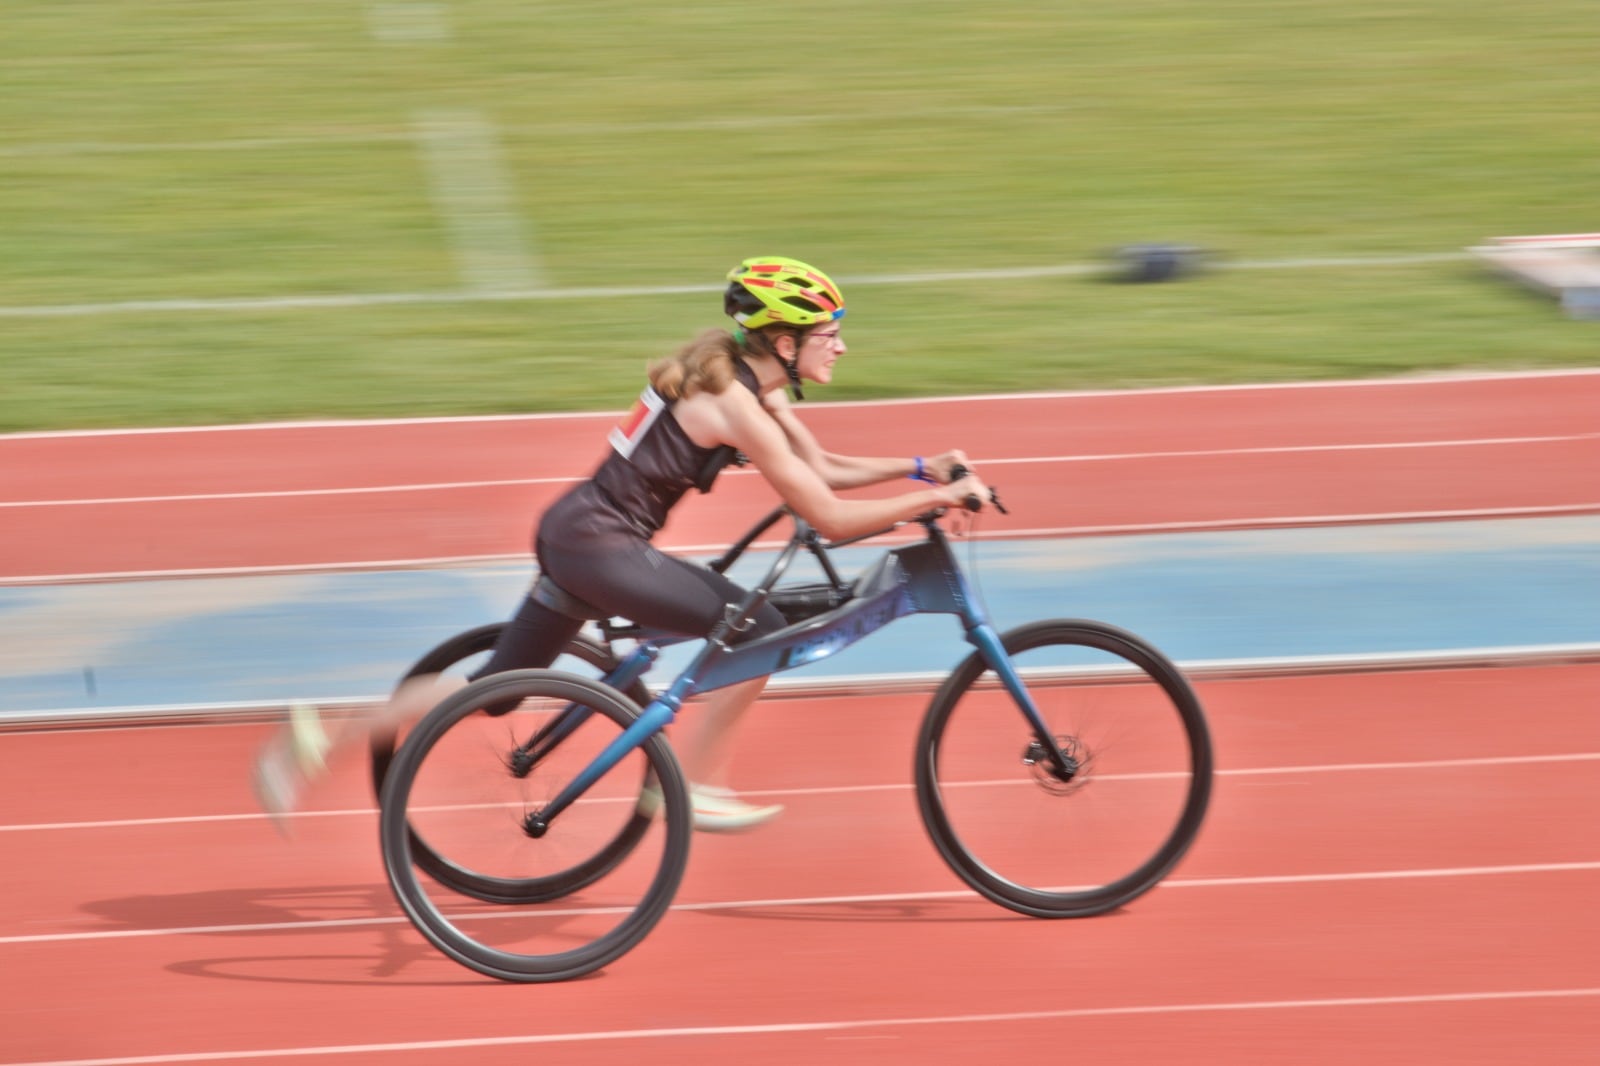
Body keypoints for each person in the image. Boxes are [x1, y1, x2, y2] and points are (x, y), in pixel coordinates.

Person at [254, 256, 989, 832]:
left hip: (572, 532)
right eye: (831, 334)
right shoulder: (735, 402)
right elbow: (827, 516)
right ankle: (696, 786)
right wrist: (936, 500)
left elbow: (821, 468)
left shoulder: (748, 383)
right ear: (785, 340)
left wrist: (922, 466)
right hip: (601, 547)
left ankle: (318, 738)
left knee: (493, 696)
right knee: (763, 628)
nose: (843, 345)